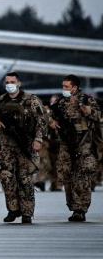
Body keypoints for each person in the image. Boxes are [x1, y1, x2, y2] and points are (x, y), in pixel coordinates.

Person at [0, 72, 47, 224]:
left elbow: (41, 121)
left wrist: (38, 139)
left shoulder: (31, 100)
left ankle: (27, 212)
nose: (9, 85)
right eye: (7, 82)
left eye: (12, 82)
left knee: (25, 179)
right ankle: (13, 209)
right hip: (6, 146)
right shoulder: (1, 100)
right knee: (7, 178)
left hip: (26, 145)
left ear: (19, 83)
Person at [51, 74, 100, 222]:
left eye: (66, 86)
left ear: (75, 87)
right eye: (63, 86)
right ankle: (73, 206)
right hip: (66, 144)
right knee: (66, 175)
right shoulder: (60, 102)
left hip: (83, 144)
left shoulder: (86, 100)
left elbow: (98, 116)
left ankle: (81, 209)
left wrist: (84, 108)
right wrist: (52, 122)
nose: (64, 89)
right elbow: (50, 116)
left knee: (81, 176)